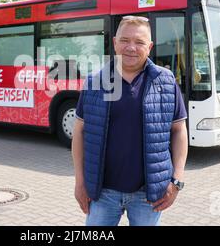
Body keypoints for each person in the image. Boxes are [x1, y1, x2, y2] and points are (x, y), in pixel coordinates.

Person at [72, 15, 188, 226]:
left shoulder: (166, 81)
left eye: (139, 42)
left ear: (150, 46)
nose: (131, 47)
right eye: (124, 40)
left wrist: (176, 181)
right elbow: (79, 132)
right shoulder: (94, 81)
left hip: (149, 195)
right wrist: (80, 182)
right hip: (102, 193)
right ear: (115, 43)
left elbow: (179, 130)